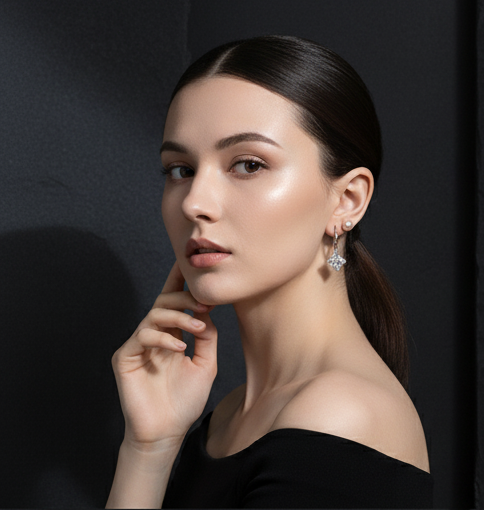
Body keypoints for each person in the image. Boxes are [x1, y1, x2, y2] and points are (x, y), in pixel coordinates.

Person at [105, 35, 433, 509]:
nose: (195, 202)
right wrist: (148, 448)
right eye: (180, 169)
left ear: (347, 200)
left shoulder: (341, 415)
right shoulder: (229, 418)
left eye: (248, 164)